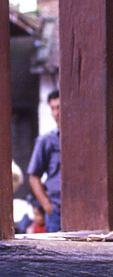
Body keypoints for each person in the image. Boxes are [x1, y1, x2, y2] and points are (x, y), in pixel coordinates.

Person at [27, 89, 61, 233]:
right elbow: (33, 177)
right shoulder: (46, 141)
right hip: (57, 212)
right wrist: (48, 206)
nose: (56, 113)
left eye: (59, 107)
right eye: (52, 108)